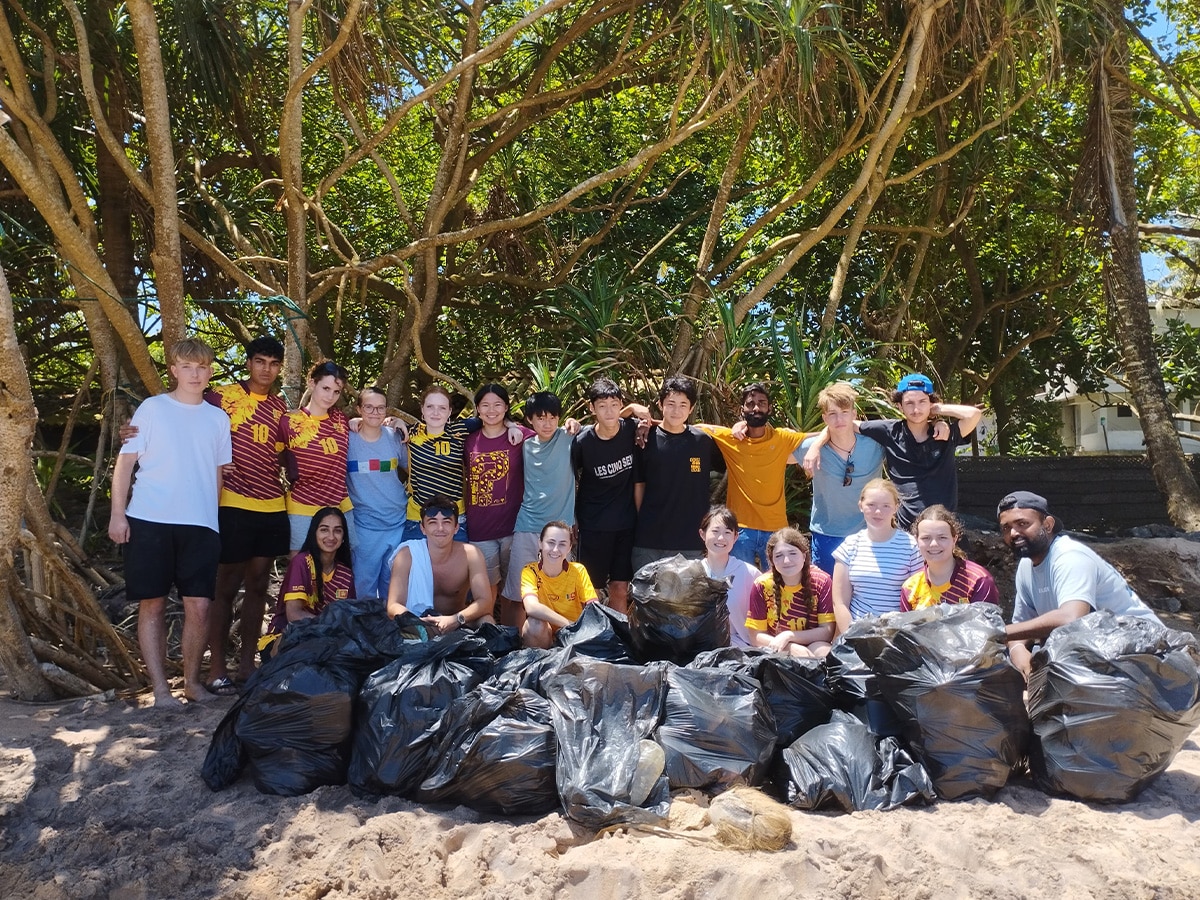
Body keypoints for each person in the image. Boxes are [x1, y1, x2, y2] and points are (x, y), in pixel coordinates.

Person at [108, 338, 232, 706]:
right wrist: (118, 514)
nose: (195, 374)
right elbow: (125, 464)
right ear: (174, 370)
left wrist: (213, 519)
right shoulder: (152, 409)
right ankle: (161, 690)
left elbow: (217, 474)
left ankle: (192, 683)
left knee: (200, 606)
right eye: (187, 367)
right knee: (153, 604)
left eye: (202, 367)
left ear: (210, 372)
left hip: (201, 525)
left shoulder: (218, 418)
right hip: (149, 519)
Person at [997, 490, 1161, 679]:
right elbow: (1021, 628)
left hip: (1143, 651)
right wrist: (1020, 655)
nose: (1013, 533)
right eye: (1006, 528)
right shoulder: (1026, 566)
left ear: (1047, 525)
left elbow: (1071, 617)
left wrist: (998, 632)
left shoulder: (1070, 556)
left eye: (1022, 524)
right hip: (1094, 651)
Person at [835, 374, 981, 530]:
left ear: (931, 403)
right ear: (900, 406)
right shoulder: (890, 431)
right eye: (909, 403)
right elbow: (845, 423)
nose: (916, 409)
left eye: (922, 402)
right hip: (904, 530)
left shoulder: (945, 434)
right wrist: (818, 444)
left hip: (942, 528)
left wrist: (937, 410)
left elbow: (974, 414)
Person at [697, 383, 808, 568]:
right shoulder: (730, 438)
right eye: (750, 404)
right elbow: (693, 427)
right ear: (742, 409)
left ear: (769, 408)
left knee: (776, 582)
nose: (756, 408)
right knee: (739, 581)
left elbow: (822, 436)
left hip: (775, 529)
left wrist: (855, 426)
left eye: (761, 403)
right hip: (740, 530)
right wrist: (647, 422)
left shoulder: (782, 438)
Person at [402, 385, 520, 543]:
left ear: (449, 412)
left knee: (458, 560)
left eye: (442, 408)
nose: (436, 412)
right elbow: (381, 429)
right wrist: (395, 421)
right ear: (422, 409)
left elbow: (490, 415)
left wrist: (512, 426)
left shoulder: (460, 430)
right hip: (418, 518)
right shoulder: (411, 433)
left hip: (454, 518)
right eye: (430, 407)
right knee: (410, 559)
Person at [504, 390, 577, 629]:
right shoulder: (523, 444)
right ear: (530, 420)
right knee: (517, 595)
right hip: (527, 526)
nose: (547, 424)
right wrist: (510, 424)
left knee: (563, 593)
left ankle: (559, 640)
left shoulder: (569, 437)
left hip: (560, 531)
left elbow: (606, 426)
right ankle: (511, 643)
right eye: (541, 418)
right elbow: (492, 421)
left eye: (553, 417)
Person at [631, 375, 720, 571]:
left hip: (691, 541)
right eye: (670, 404)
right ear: (660, 404)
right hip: (650, 541)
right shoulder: (645, 439)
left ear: (691, 408)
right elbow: (639, 485)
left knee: (688, 592)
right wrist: (644, 520)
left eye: (683, 405)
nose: (676, 410)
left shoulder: (703, 441)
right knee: (647, 591)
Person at [796, 383, 885, 574]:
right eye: (832, 414)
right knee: (827, 590)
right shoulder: (810, 448)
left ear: (854, 414)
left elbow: (908, 434)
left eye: (844, 412)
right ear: (824, 418)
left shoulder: (876, 444)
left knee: (866, 590)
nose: (839, 419)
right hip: (827, 535)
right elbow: (772, 448)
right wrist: (743, 427)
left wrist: (940, 424)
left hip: (868, 534)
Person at [571, 377, 640, 613]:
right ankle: (589, 632)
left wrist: (637, 410)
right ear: (592, 408)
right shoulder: (582, 442)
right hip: (593, 524)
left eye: (614, 404)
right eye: (602, 406)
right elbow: (570, 479)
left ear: (621, 405)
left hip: (626, 524)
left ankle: (619, 633)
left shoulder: (631, 430)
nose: (609, 411)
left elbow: (669, 424)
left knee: (620, 588)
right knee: (591, 590)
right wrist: (572, 517)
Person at [465, 383, 533, 613]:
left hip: (514, 528)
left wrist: (573, 425)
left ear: (506, 407)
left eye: (497, 404)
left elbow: (550, 436)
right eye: (485, 405)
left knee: (514, 593)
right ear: (477, 409)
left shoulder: (521, 436)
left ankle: (512, 633)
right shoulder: (468, 440)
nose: (491, 410)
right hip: (480, 529)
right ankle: (490, 631)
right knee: (486, 592)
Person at [386, 495, 496, 633]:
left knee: (487, 621)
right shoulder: (407, 555)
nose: (440, 528)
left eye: (446, 522)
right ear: (422, 528)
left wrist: (457, 619)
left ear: (456, 527)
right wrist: (419, 623)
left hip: (456, 620)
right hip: (417, 623)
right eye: (432, 522)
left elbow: (485, 601)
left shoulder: (471, 554)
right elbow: (393, 606)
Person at [258, 508, 356, 659]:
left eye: (337, 531)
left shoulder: (346, 574)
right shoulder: (302, 562)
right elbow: (293, 615)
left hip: (327, 639)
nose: (331, 536)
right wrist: (328, 625)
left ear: (344, 537)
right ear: (314, 533)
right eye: (324, 530)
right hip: (285, 638)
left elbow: (349, 618)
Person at [831, 478, 922, 635]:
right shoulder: (849, 545)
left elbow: (918, 597)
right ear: (861, 506)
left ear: (896, 507)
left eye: (886, 506)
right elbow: (839, 602)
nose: (878, 512)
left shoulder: (911, 546)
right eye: (871, 505)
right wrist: (851, 636)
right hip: (857, 632)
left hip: (897, 633)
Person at [279, 360, 353, 553]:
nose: (330, 396)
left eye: (336, 392)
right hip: (303, 506)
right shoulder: (289, 421)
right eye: (325, 388)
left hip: (339, 507)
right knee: (300, 564)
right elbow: (272, 457)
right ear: (312, 383)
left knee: (342, 565)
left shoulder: (341, 420)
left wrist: (393, 421)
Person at [346, 386, 409, 598]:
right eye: (369, 407)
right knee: (364, 584)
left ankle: (390, 619)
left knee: (392, 583)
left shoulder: (394, 437)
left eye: (380, 408)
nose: (375, 412)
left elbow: (414, 469)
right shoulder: (347, 440)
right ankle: (365, 619)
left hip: (397, 522)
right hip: (364, 525)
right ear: (359, 409)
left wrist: (398, 422)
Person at [745, 528, 834, 658]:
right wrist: (789, 647)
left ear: (804, 556)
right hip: (777, 647)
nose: (786, 560)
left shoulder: (822, 581)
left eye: (793, 553)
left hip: (813, 643)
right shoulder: (762, 585)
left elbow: (827, 631)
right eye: (779, 556)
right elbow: (755, 636)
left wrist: (789, 636)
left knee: (826, 654)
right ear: (771, 560)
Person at [900, 504, 999, 611]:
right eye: (926, 538)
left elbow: (985, 621)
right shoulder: (910, 587)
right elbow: (906, 622)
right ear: (916, 540)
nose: (934, 544)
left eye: (942, 537)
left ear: (954, 540)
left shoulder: (979, 580)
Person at [519, 521, 598, 649]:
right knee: (534, 625)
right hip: (550, 635)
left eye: (562, 544)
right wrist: (569, 625)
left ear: (569, 548)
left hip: (574, 637)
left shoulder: (578, 570)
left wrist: (579, 631)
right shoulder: (530, 571)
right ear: (540, 543)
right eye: (551, 542)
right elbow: (531, 607)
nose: (555, 549)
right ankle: (539, 661)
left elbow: (594, 608)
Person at [698, 506, 760, 649]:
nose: (721, 538)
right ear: (702, 534)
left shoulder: (749, 574)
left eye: (727, 532)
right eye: (715, 531)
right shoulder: (692, 573)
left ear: (735, 537)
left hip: (741, 648)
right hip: (698, 649)